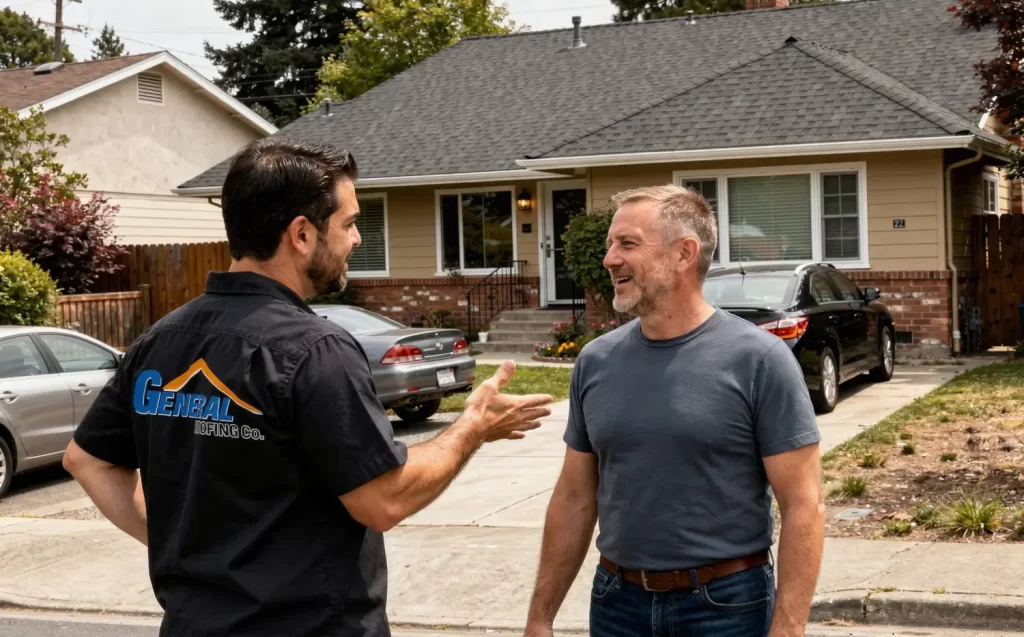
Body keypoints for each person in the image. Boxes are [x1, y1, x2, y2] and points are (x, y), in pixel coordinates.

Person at [62, 138, 553, 637]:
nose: (356, 239)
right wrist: (473, 426)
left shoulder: (159, 341)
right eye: (348, 223)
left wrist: (188, 551)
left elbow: (87, 460)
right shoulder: (316, 351)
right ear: (301, 234)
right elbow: (383, 499)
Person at [523, 184, 824, 637]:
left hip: (726, 607)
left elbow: (804, 504)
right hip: (616, 604)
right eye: (610, 244)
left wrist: (788, 628)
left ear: (685, 253)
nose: (609, 259)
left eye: (628, 244)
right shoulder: (596, 361)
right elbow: (573, 498)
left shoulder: (759, 359)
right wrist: (540, 617)